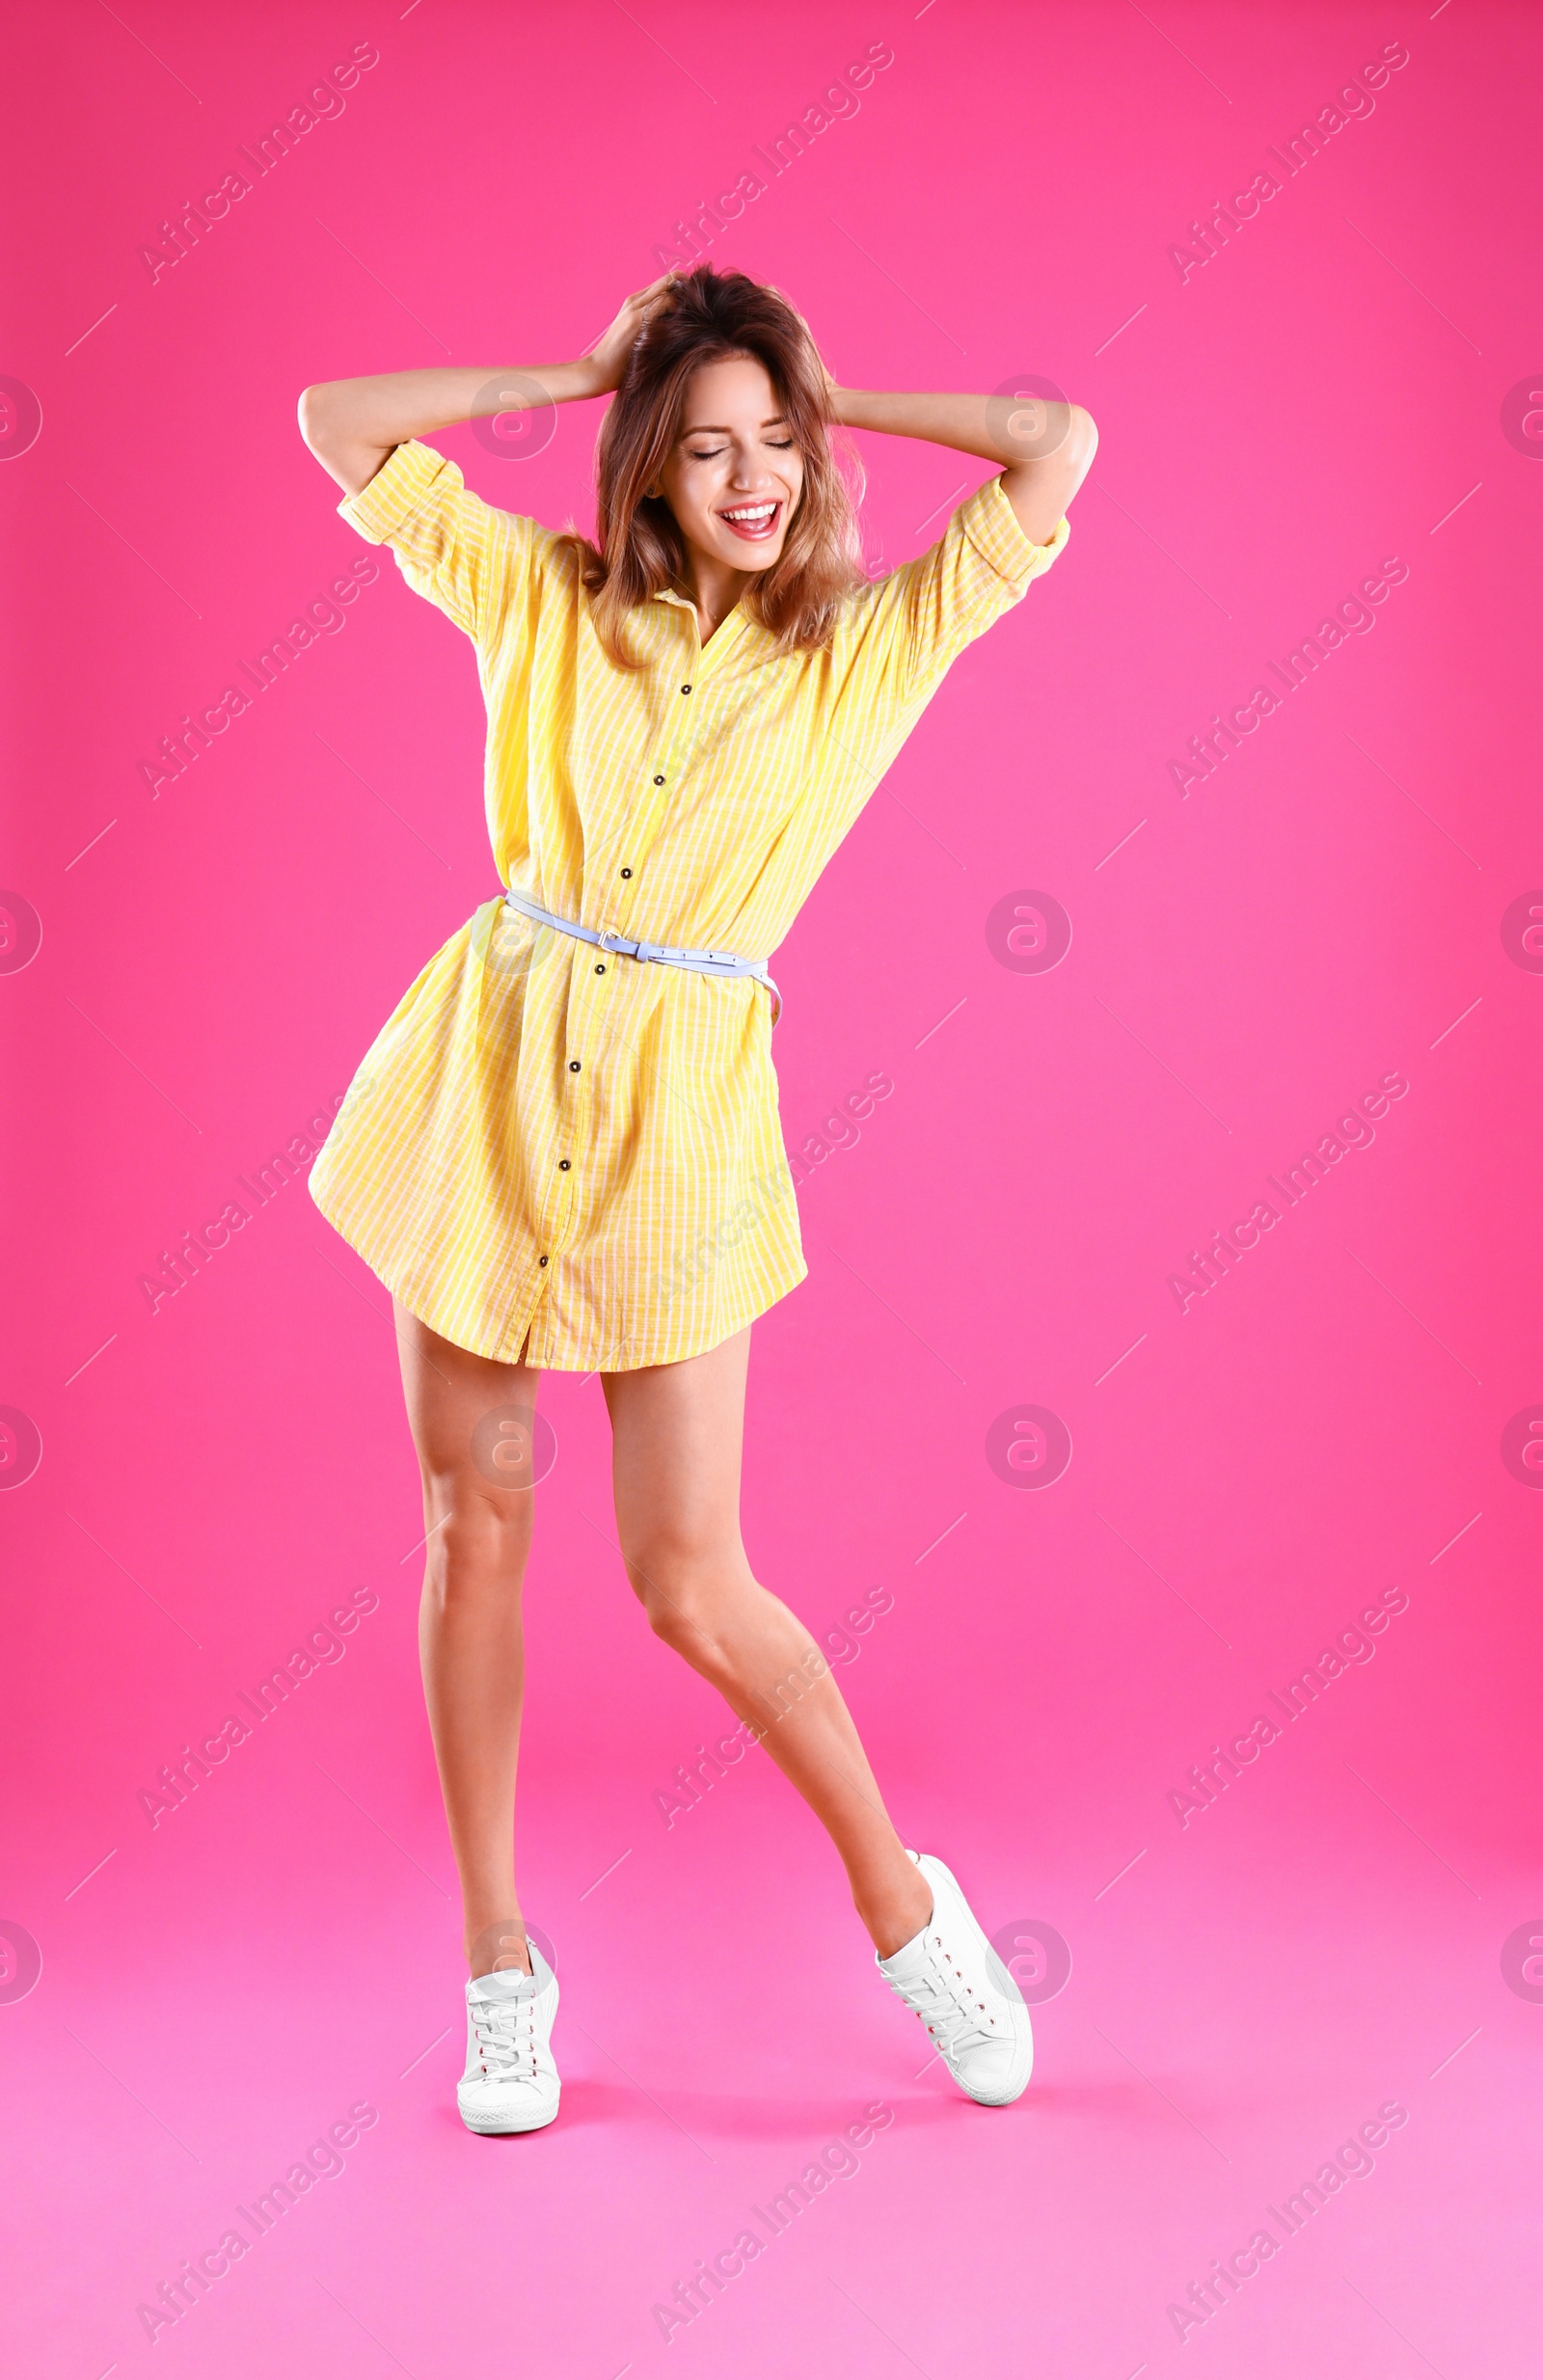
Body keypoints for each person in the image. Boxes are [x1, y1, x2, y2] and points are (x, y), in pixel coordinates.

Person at [298, 264, 1095, 2135]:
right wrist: (584, 372)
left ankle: (905, 1908)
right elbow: (340, 420)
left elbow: (1055, 443)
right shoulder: (542, 598)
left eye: (773, 445)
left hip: (683, 1123)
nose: (749, 478)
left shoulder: (865, 646)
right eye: (706, 447)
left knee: (689, 1581)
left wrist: (827, 383)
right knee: (467, 1527)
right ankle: (502, 1964)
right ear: (645, 471)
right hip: (487, 1084)